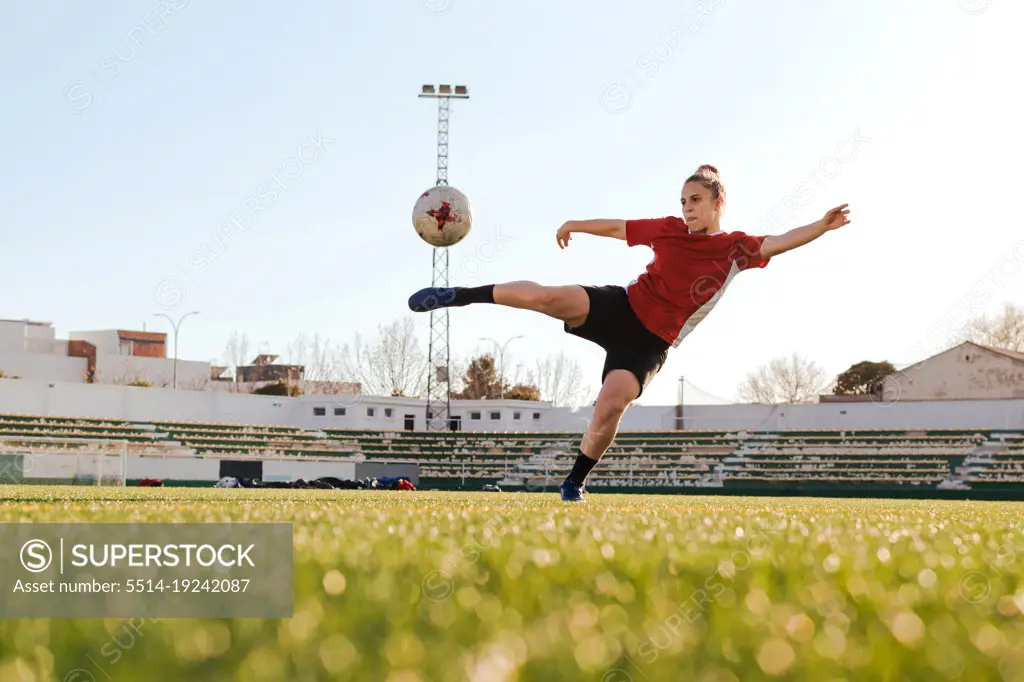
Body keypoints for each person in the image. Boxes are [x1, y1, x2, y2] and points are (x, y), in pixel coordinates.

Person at [407, 164, 851, 501]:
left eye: (695, 200)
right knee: (549, 297)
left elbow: (779, 241)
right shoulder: (669, 231)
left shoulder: (735, 247)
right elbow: (620, 228)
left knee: (609, 407)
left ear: (717, 203)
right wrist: (575, 224)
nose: (686, 208)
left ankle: (574, 483)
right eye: (683, 201)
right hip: (621, 305)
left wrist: (821, 225)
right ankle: (459, 295)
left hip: (648, 343)